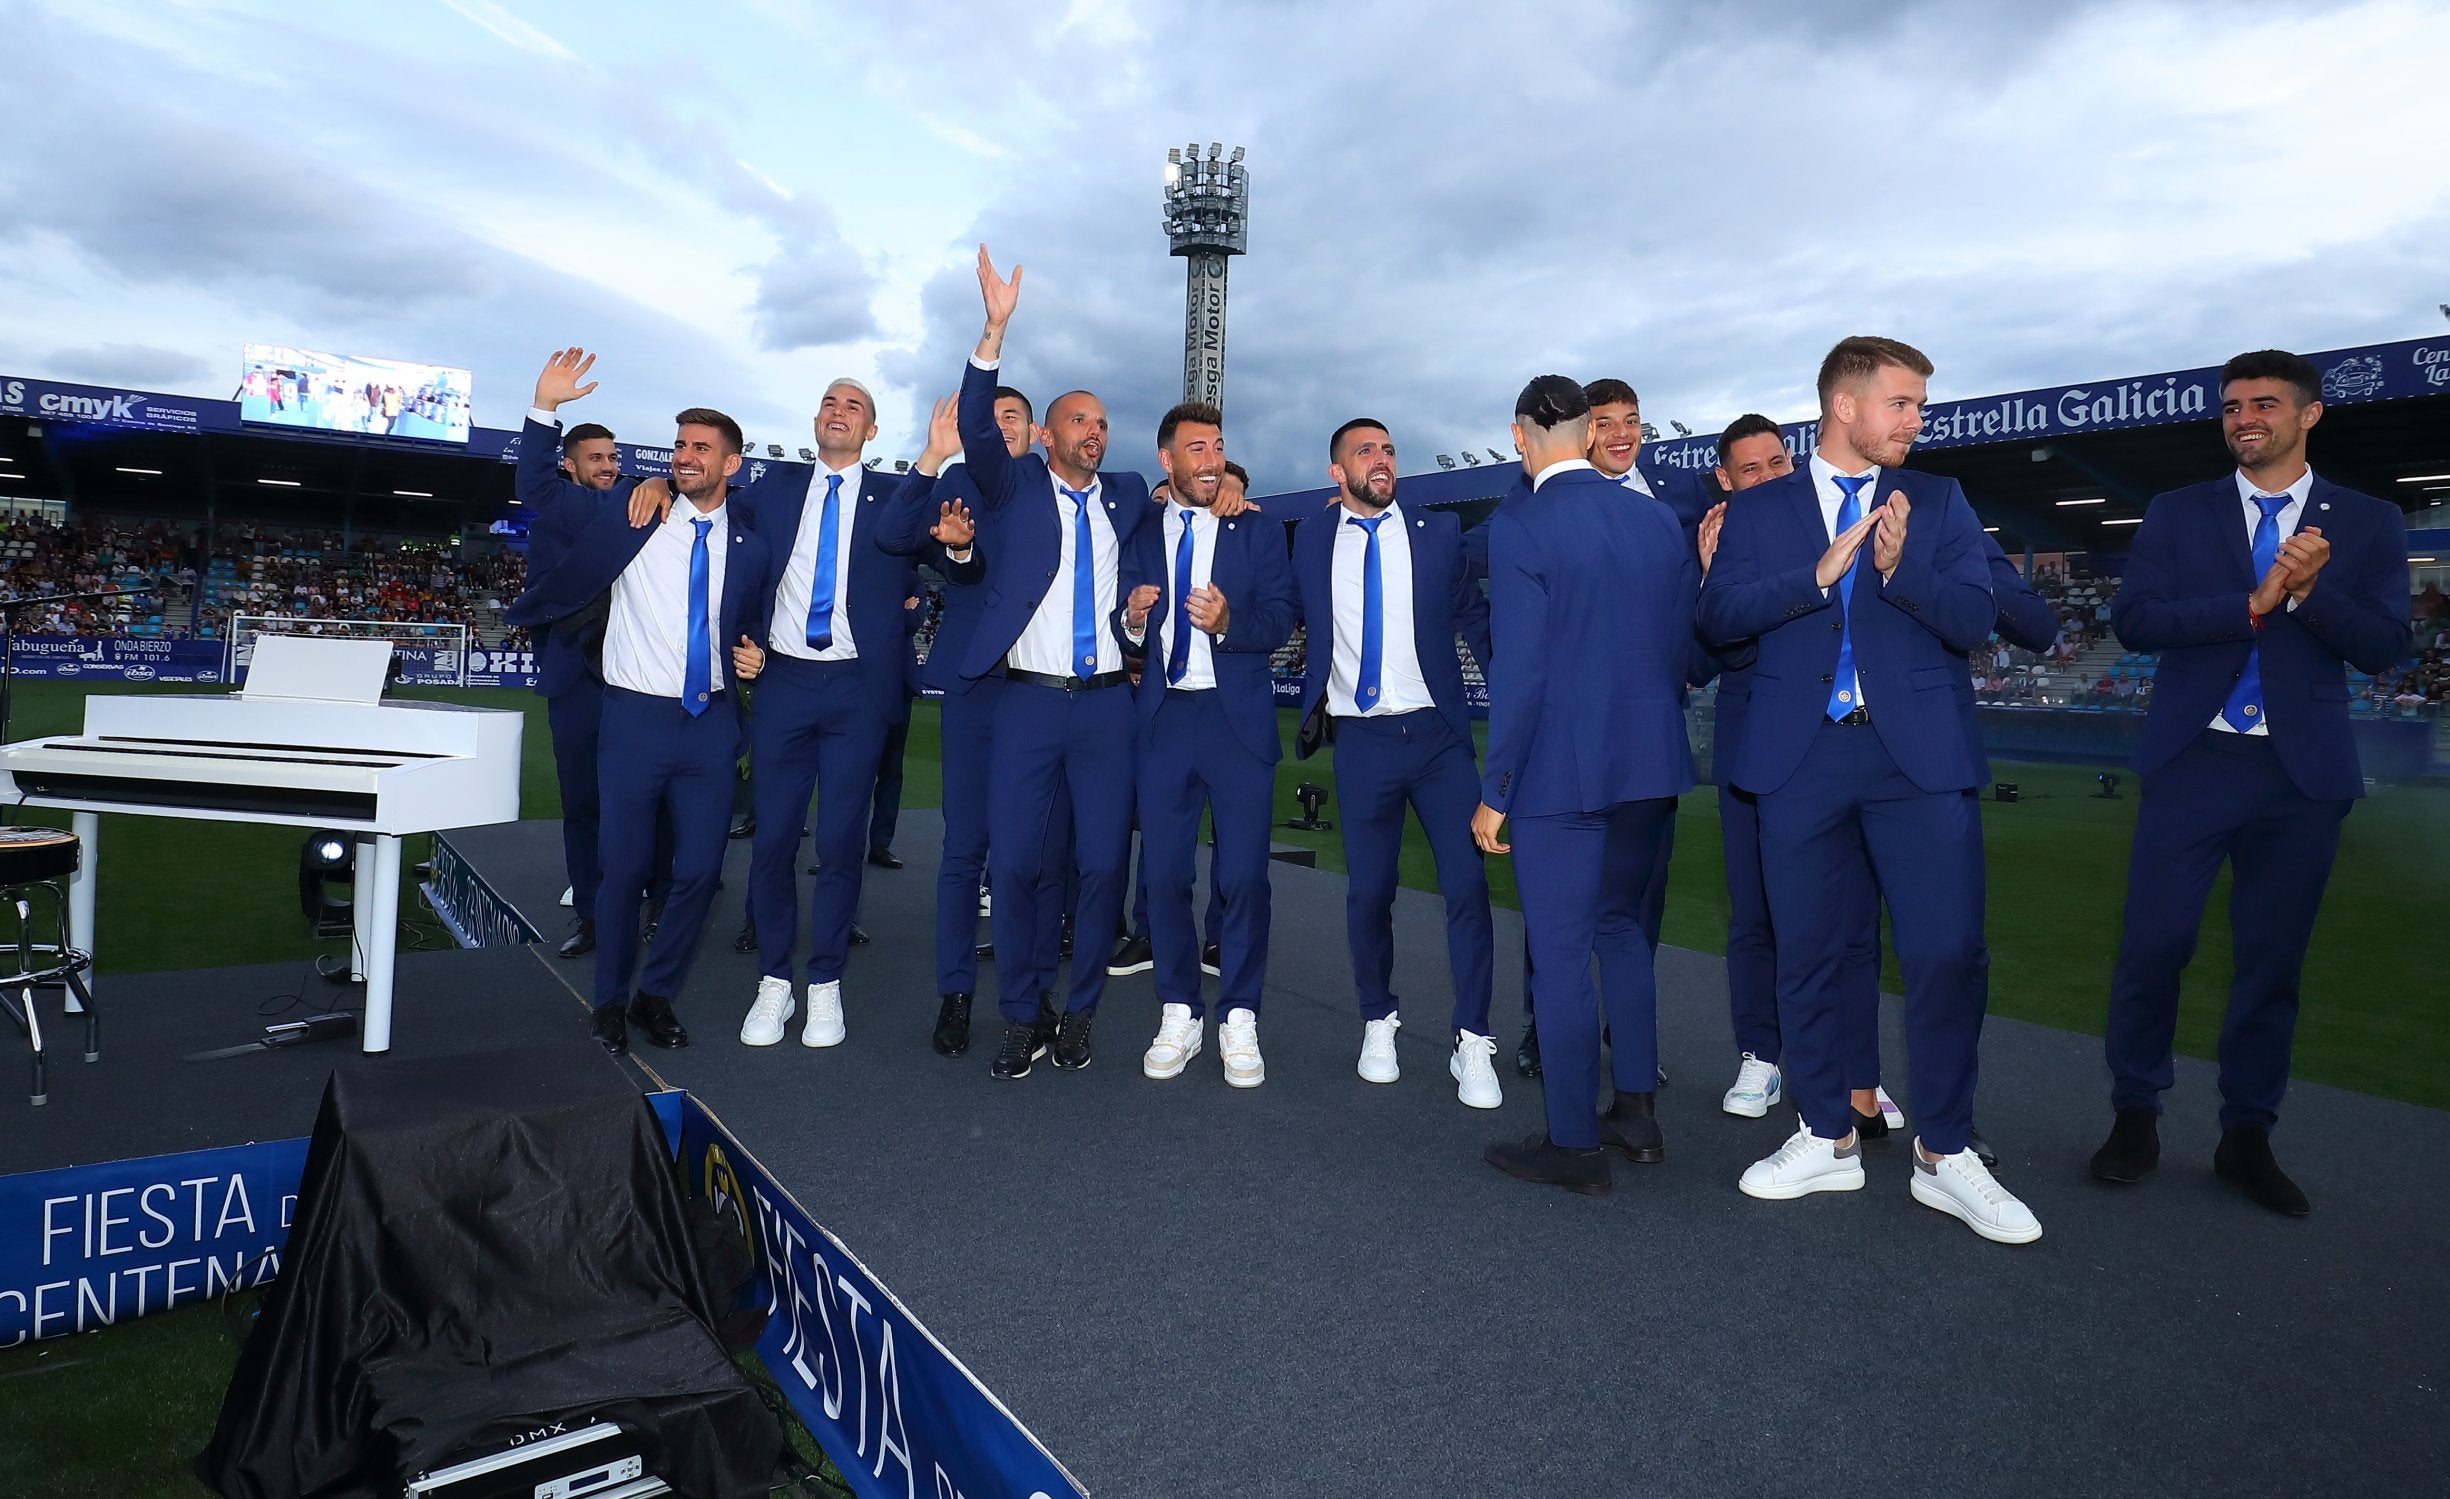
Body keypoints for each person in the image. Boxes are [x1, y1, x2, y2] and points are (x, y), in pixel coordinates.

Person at [1696, 335, 2039, 1244]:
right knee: (1808, 952)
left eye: (1920, 405)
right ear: (1844, 406)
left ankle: (1946, 1152)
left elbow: (1976, 620)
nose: (1916, 421)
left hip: (1916, 759)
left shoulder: (1938, 501)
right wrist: (1809, 580)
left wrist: (1899, 570)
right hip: (1797, 758)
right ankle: (1825, 1133)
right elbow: (1718, 623)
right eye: (1902, 403)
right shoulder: (1760, 511)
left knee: (1947, 952)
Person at [2091, 349, 2411, 1216]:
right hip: (2195, 761)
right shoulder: (2178, 512)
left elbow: (2385, 646)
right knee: (2154, 945)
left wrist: (2307, 595)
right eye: (2232, 406)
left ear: (2310, 415)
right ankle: (2135, 1112)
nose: (2244, 419)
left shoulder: (2372, 521)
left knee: (2271, 964)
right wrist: (2254, 602)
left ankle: (2247, 1134)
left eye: (2264, 404)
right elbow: (2136, 620)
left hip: (2300, 777)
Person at [506, 348, 771, 1056]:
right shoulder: (630, 510)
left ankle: (656, 995)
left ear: (732, 464)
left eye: (701, 448)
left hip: (711, 724)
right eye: (679, 444)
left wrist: (757, 653)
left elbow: (753, 622)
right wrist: (544, 404)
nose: (685, 456)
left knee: (697, 873)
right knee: (622, 869)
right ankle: (609, 1001)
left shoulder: (751, 544)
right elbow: (535, 485)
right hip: (632, 720)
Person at [1473, 376, 1695, 1194]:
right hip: (1648, 762)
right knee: (1624, 932)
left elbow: (1521, 672)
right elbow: (1677, 648)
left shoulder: (1520, 522)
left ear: (1524, 434)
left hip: (1561, 771)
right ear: (1585, 430)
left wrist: (1497, 787)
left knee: (1561, 954)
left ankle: (1573, 1143)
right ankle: (1636, 1111)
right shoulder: (1651, 517)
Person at [952, 246, 1156, 1080]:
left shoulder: (1128, 493)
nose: (1095, 432)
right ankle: (1022, 1010)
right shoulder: (1012, 487)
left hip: (1108, 705)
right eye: (1080, 421)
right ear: (1047, 434)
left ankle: (1079, 1010)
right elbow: (973, 430)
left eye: (1103, 423)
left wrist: (1228, 490)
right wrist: (993, 331)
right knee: (1022, 861)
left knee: (1104, 861)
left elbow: (1188, 492)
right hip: (1029, 704)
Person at [1290, 418, 1499, 1108]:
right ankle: (1378, 1018)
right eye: (1365, 452)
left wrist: (1522, 692)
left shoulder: (1437, 534)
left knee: (1468, 886)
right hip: (1363, 743)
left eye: (1387, 450)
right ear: (1336, 472)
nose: (1382, 460)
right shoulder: (1316, 534)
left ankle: (1473, 1038)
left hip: (1439, 742)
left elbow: (1476, 616)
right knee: (1368, 892)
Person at [877, 394, 1067, 1057]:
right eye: (991, 417)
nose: (1000, 425)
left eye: (1013, 415)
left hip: (1045, 689)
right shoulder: (956, 481)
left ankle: (1035, 990)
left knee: (1039, 854)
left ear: (1039, 431)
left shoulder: (1056, 489)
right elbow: (894, 537)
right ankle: (955, 991)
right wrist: (931, 456)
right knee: (966, 849)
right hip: (976, 685)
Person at [1119, 404, 1295, 1086]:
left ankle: (1240, 1014)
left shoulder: (1255, 530)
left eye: (1217, 446)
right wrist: (1132, 619)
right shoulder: (1139, 529)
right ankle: (1179, 1008)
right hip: (1166, 721)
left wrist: (1228, 623)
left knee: (1244, 876)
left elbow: (1280, 617)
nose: (1211, 458)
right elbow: (1119, 621)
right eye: (1196, 448)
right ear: (1168, 461)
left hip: (1237, 721)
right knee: (1163, 876)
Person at [509, 359, 672, 961]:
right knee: (581, 805)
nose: (608, 466)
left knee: (651, 800)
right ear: (571, 465)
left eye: (614, 458)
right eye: (596, 458)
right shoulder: (567, 507)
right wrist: (544, 407)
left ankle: (658, 903)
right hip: (575, 678)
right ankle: (594, 917)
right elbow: (534, 484)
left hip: (639, 677)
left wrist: (661, 486)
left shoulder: (637, 503)